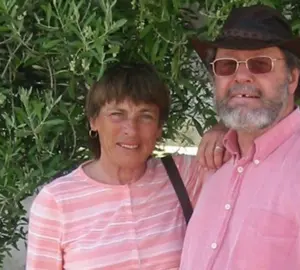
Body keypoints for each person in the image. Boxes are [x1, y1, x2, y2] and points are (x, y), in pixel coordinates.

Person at [180, 4, 300, 270]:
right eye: (227, 65)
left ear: (292, 78)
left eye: (260, 64)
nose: (241, 76)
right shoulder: (216, 168)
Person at [25, 62, 229, 269]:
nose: (131, 129)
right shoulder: (56, 202)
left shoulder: (183, 175)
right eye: (117, 114)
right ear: (93, 121)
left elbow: (251, 156)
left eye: (145, 116)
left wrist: (224, 128)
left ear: (159, 128)